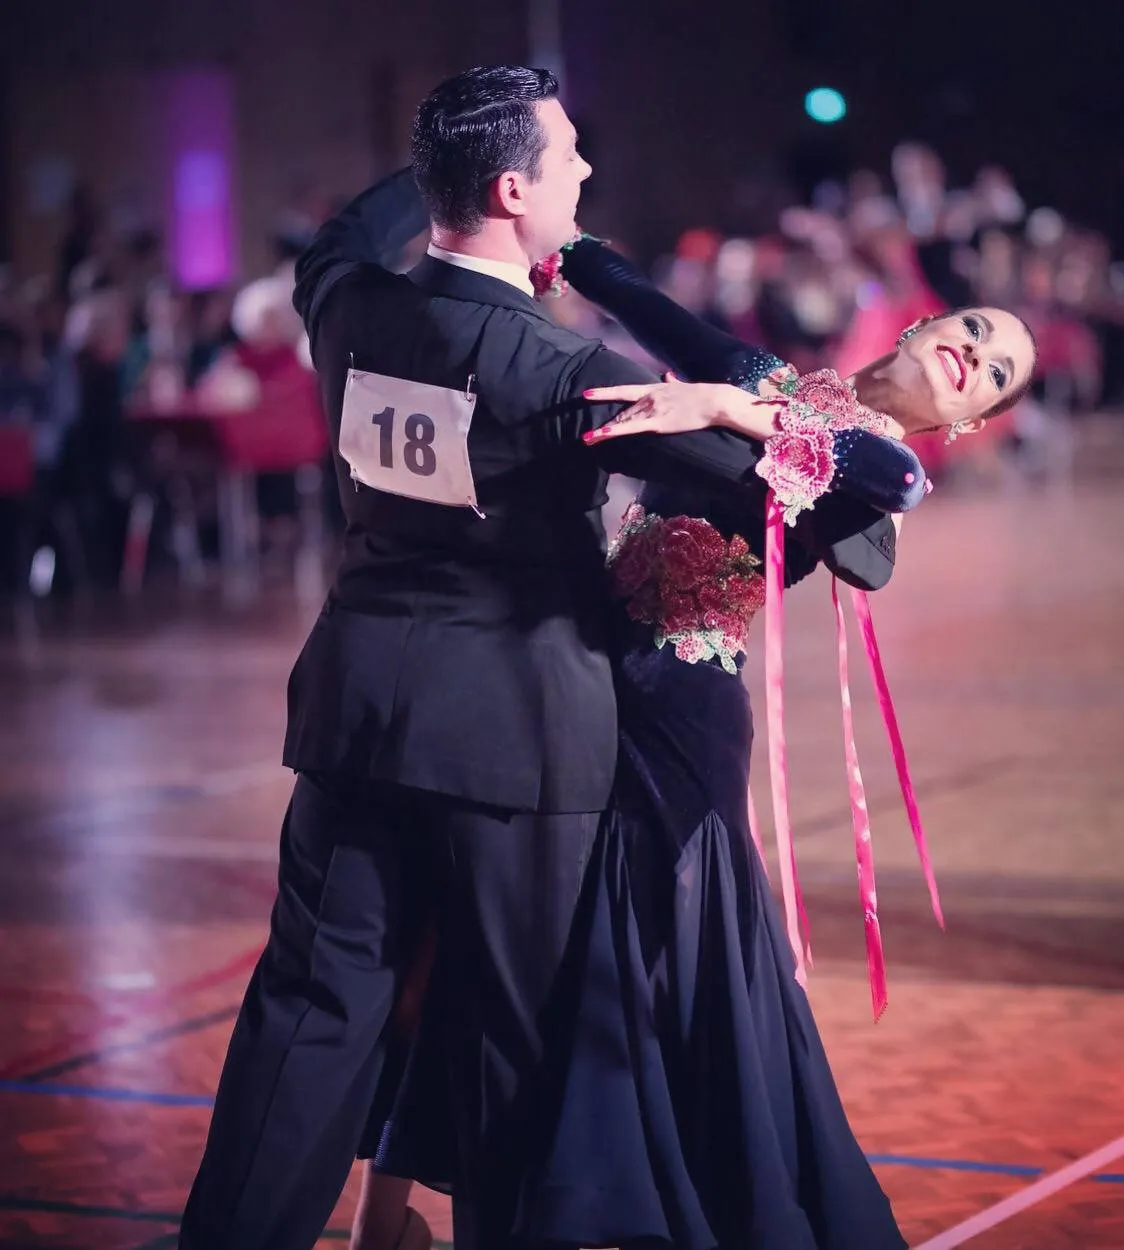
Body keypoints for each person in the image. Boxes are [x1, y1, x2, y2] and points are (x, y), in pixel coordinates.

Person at [179, 67, 899, 1250]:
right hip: (519, 745)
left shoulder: (346, 307)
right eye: (564, 160)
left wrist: (436, 163)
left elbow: (342, 237)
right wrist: (717, 393)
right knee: (519, 1046)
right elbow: (855, 506)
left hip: (357, 712)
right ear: (513, 189)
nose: (585, 177)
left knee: (307, 1015)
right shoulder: (569, 376)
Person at [354, 238, 1037, 1249]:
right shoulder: (767, 377)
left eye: (990, 372)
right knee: (476, 924)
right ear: (918, 325)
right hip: (571, 685)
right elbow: (638, 299)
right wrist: (553, 241)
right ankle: (385, 1219)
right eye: (971, 331)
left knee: (621, 978)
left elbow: (886, 477)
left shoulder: (870, 489)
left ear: (970, 419)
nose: (970, 354)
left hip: (672, 728)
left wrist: (715, 408)